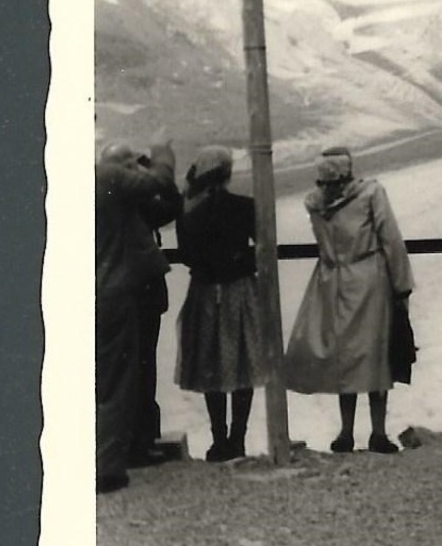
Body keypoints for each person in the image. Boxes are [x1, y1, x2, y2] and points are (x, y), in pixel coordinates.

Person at [284, 147, 414, 454]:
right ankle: (378, 432)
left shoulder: (314, 204)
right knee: (374, 353)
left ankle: (346, 432)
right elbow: (390, 240)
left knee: (344, 356)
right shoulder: (371, 193)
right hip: (369, 278)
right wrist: (402, 285)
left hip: (331, 280)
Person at [95, 136, 178, 493]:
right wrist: (160, 155)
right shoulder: (111, 183)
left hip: (109, 292)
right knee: (122, 379)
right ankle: (112, 462)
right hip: (119, 292)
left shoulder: (111, 195)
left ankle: (122, 448)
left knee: (118, 376)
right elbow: (159, 184)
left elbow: (168, 206)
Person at [173, 146, 263, 461]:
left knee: (210, 362)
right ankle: (237, 438)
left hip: (204, 290)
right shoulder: (244, 206)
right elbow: (262, 247)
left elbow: (186, 255)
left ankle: (219, 439)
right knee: (241, 361)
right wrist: (239, 258)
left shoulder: (188, 214)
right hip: (239, 288)